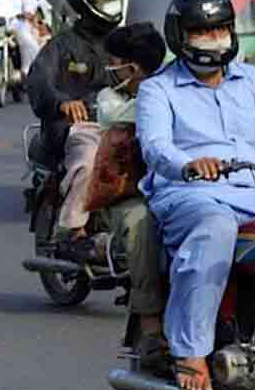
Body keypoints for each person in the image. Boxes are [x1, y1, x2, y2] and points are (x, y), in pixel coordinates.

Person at [138, 0, 255, 390]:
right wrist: (188, 164)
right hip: (188, 194)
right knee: (216, 226)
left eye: (221, 29)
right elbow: (155, 146)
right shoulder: (158, 89)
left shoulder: (252, 81)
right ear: (180, 36)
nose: (214, 39)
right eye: (202, 32)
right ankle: (189, 350)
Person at [49, 21, 170, 364]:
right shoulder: (111, 98)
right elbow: (120, 114)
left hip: (178, 183)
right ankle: (150, 325)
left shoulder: (178, 87)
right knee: (141, 224)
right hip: (117, 177)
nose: (110, 68)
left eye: (114, 62)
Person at [27, 0, 123, 168]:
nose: (113, 6)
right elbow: (39, 80)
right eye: (107, 1)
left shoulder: (126, 42)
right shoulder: (61, 46)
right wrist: (62, 102)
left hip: (122, 124)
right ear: (85, 3)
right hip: (75, 129)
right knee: (87, 164)